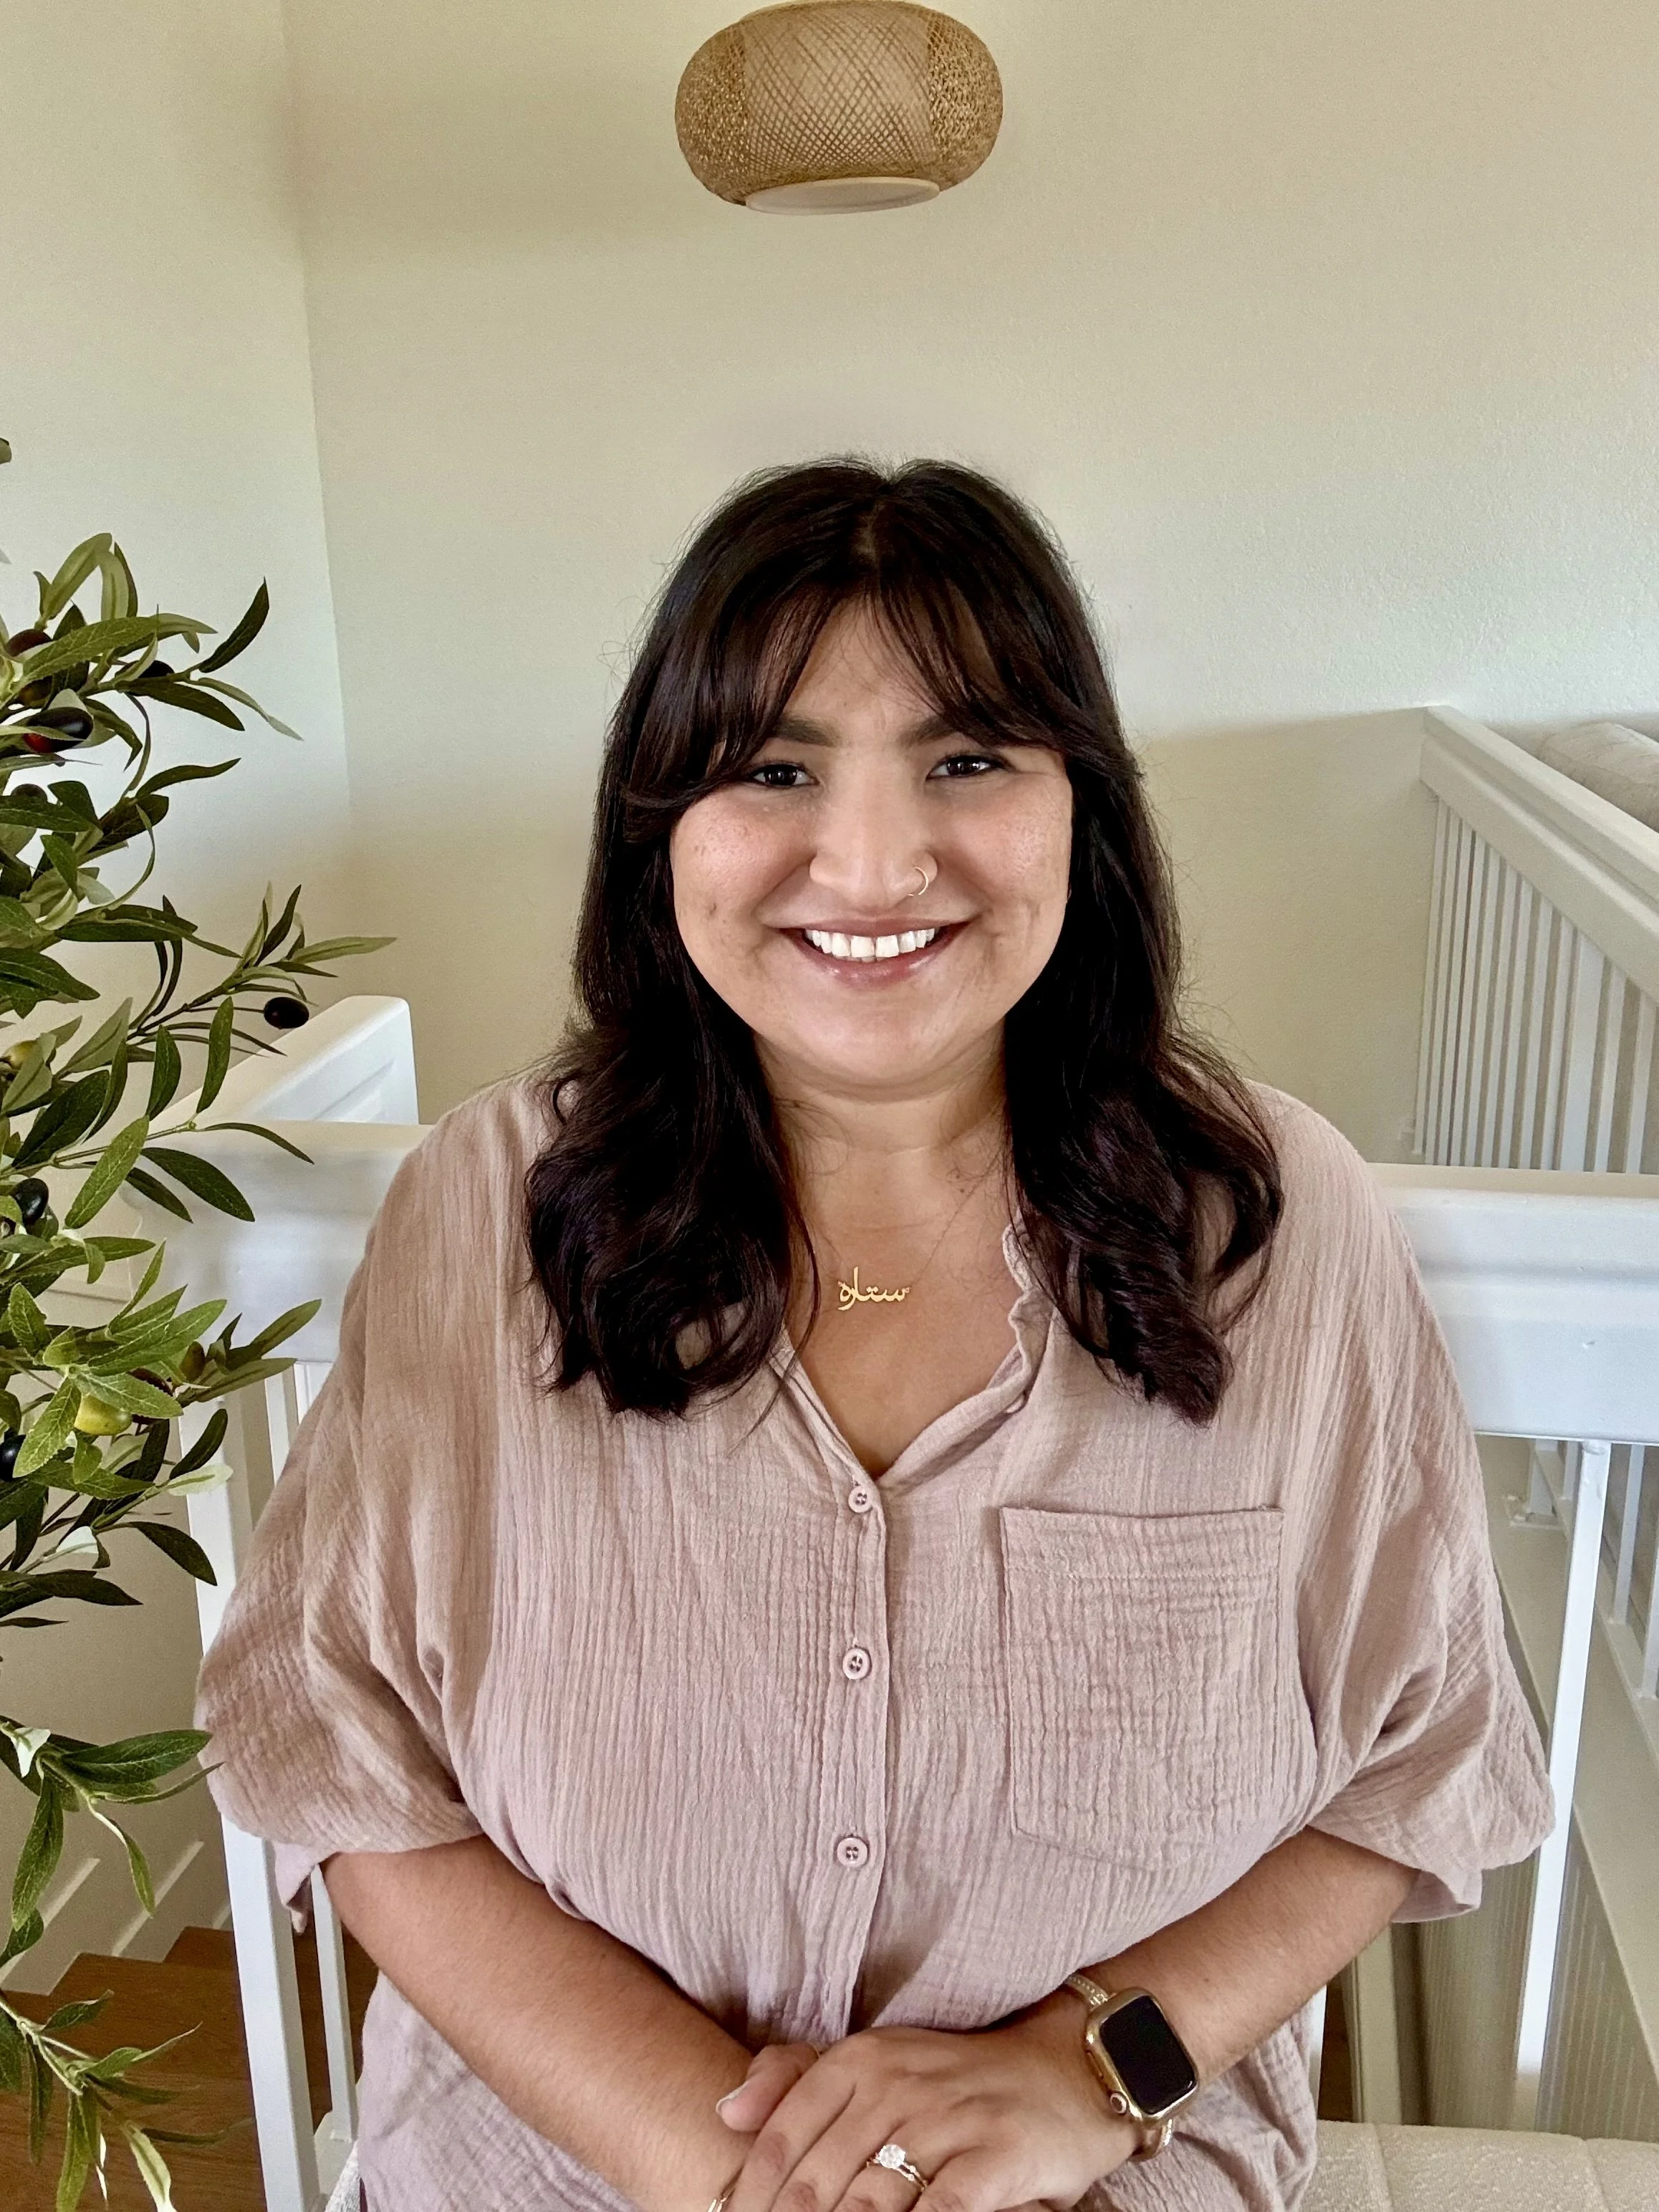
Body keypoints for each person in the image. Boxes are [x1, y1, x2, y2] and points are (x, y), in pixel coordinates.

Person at [196, 458, 1552, 2212]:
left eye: (968, 757)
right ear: (659, 823)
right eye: (774, 767)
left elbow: (1414, 1763)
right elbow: (347, 1762)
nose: (873, 860)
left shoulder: (1275, 1225)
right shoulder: (489, 1206)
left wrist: (1092, 2066)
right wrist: (733, 2165)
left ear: (1083, 808)